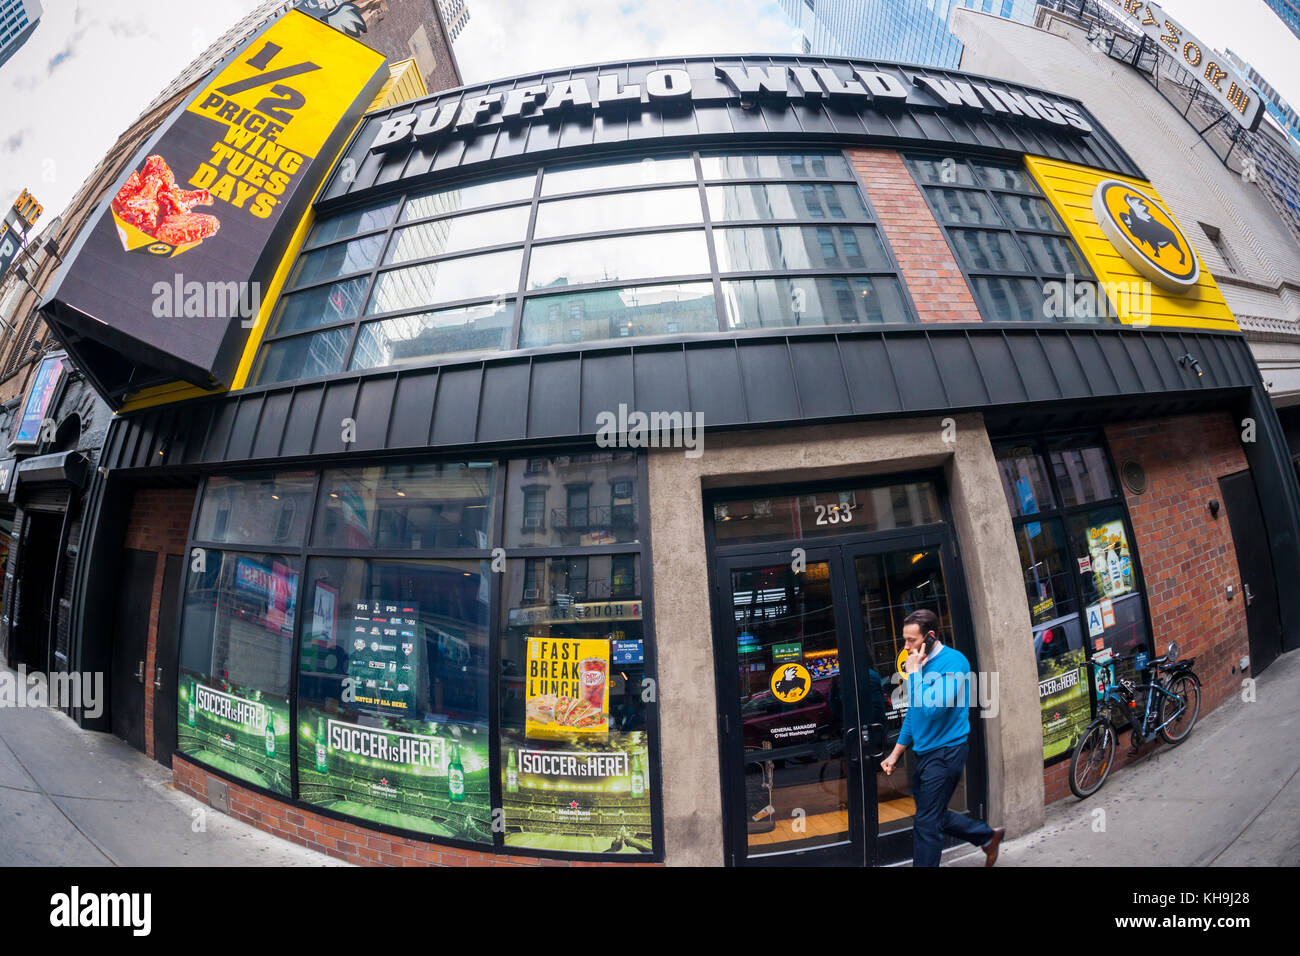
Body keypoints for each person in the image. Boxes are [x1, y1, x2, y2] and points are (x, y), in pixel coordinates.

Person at [880, 609, 1005, 867]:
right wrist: (895, 753)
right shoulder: (920, 662)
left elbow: (933, 709)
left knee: (926, 823)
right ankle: (987, 836)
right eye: (904, 640)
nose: (906, 647)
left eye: (911, 640)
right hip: (923, 754)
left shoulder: (954, 663)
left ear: (930, 636)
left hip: (947, 752)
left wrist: (914, 674)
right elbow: (915, 713)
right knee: (933, 813)